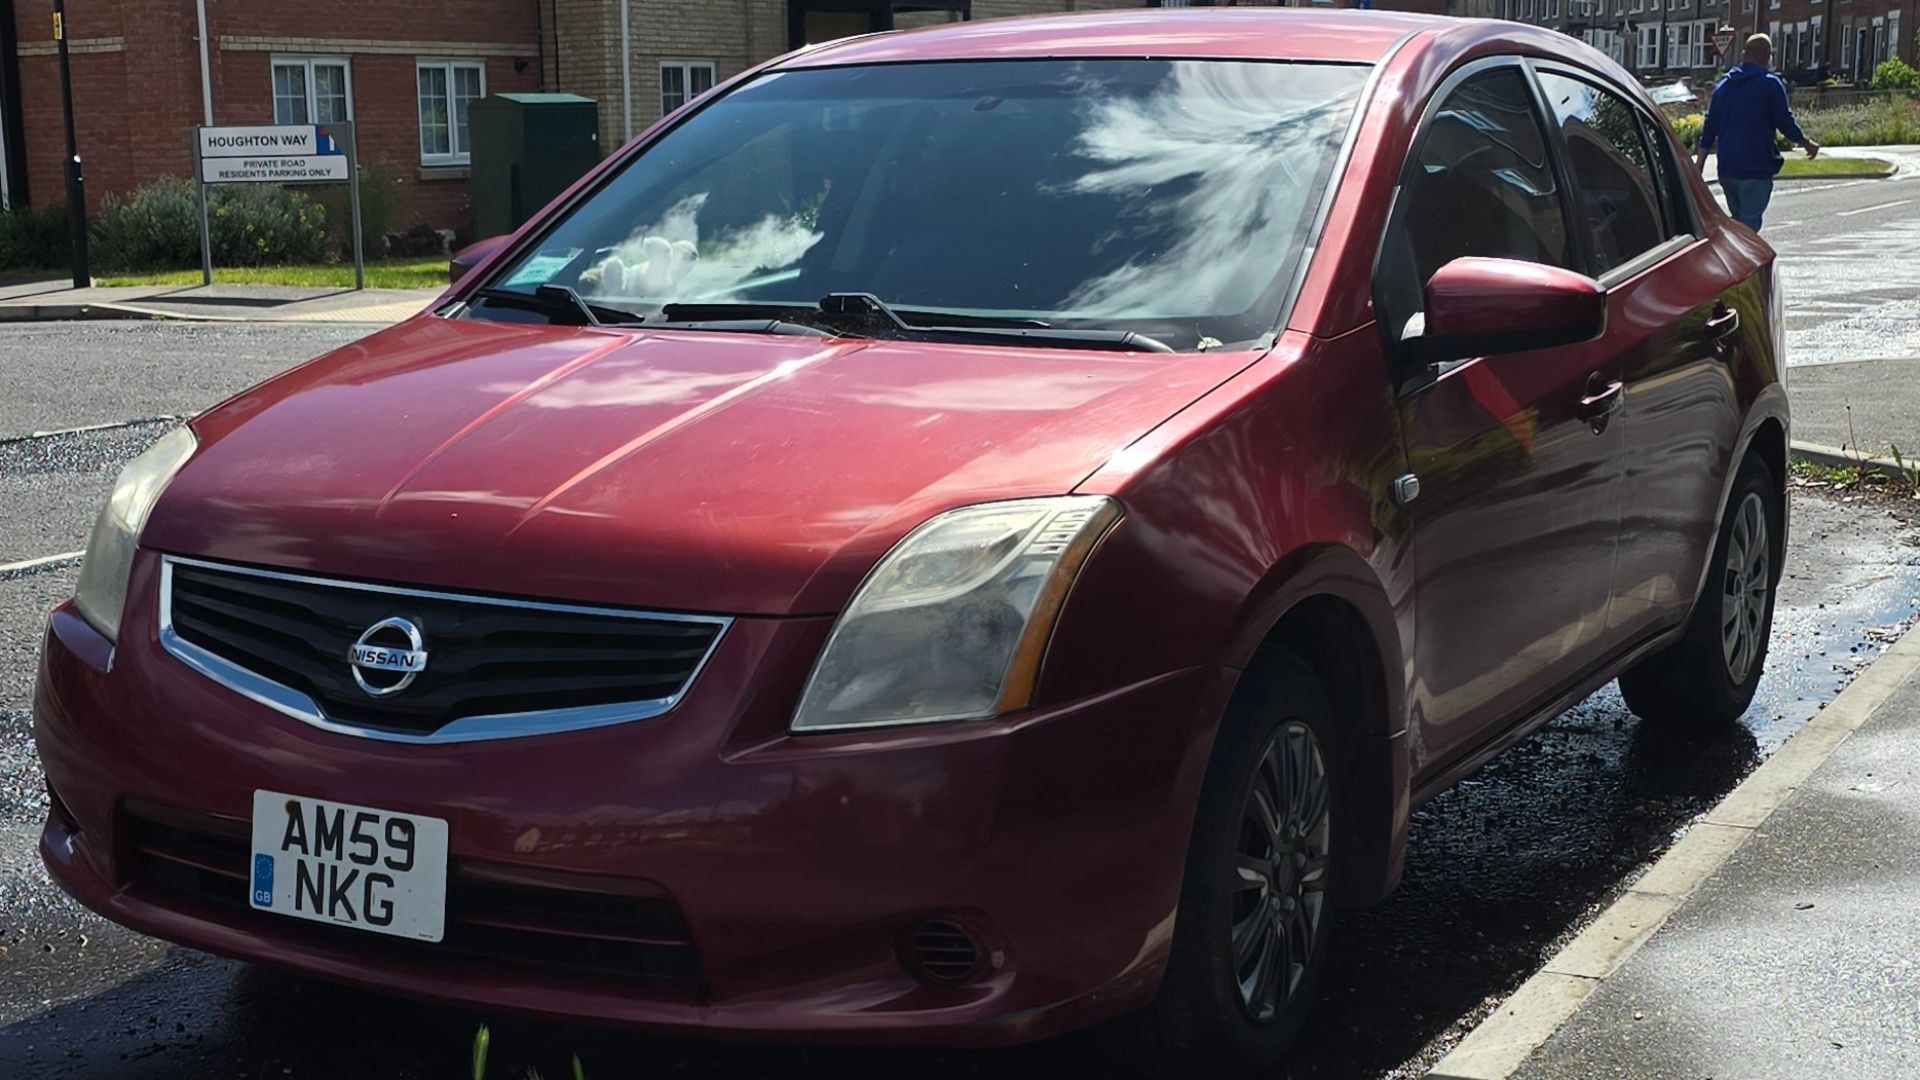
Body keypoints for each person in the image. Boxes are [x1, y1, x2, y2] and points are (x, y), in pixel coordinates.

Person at [1695, 33, 1820, 231]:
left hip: (1728, 169)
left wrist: (1699, 167)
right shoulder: (1770, 84)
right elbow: (1784, 122)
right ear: (1767, 55)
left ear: (1744, 55)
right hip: (1755, 168)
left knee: (1739, 224)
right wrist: (1806, 143)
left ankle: (1735, 259)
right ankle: (1741, 261)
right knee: (1749, 229)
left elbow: (1709, 129)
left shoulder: (1722, 87)